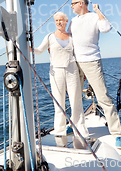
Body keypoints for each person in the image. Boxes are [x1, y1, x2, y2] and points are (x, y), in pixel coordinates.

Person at [68, 0, 121, 149]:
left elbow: (106, 28)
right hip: (75, 62)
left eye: (73, 3)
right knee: (75, 98)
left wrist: (98, 11)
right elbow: (67, 38)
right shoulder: (73, 21)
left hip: (92, 61)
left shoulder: (94, 17)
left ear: (81, 3)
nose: (71, 6)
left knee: (103, 98)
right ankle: (75, 126)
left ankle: (117, 134)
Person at [34, 12, 89, 148]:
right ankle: (59, 131)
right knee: (58, 103)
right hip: (56, 72)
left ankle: (80, 129)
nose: (59, 22)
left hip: (72, 70)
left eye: (61, 20)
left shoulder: (72, 37)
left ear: (66, 22)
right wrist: (27, 46)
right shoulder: (49, 37)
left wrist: (84, 71)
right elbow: (39, 50)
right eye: (57, 20)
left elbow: (78, 54)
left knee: (76, 101)